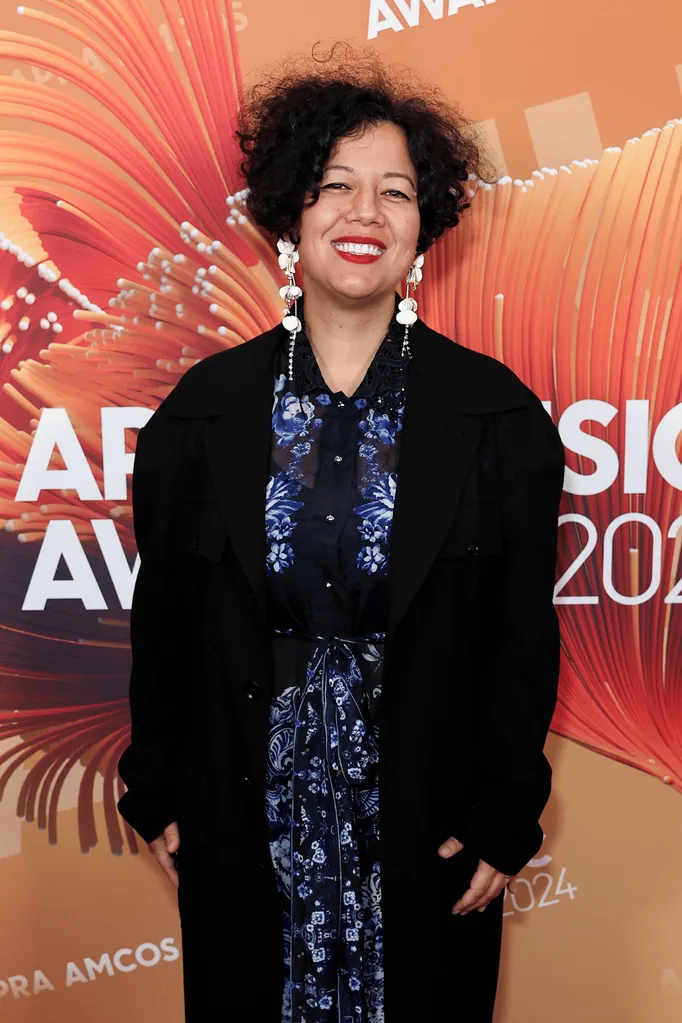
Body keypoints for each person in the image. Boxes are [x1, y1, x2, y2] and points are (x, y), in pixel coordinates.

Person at [117, 47, 565, 1023]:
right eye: (335, 187)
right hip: (244, 832)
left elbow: (521, 639)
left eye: (394, 193)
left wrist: (504, 815)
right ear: (292, 209)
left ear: (425, 222)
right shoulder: (203, 414)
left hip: (427, 832)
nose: (364, 215)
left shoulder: (494, 417)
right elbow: (167, 623)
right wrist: (155, 787)